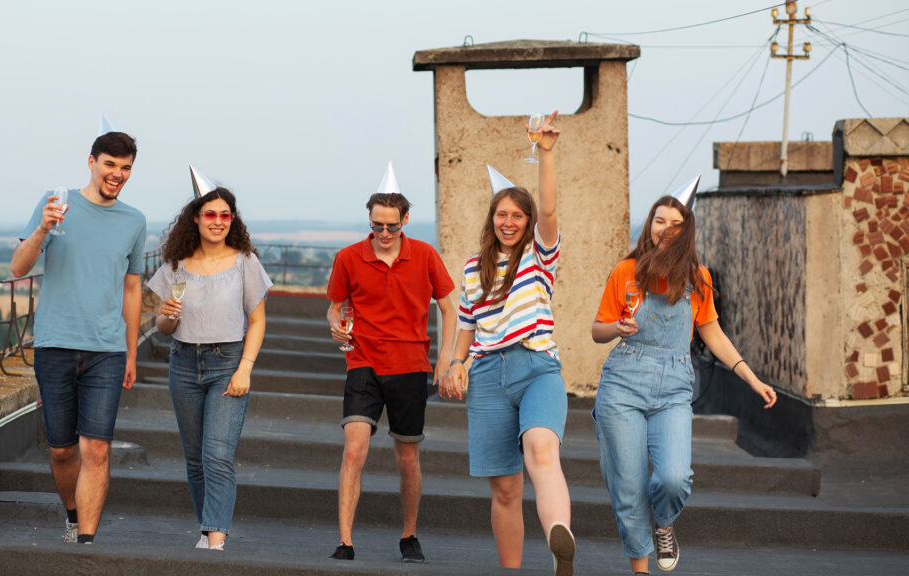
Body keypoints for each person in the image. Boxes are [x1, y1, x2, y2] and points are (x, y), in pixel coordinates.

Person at [590, 194, 777, 575]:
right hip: (623, 384)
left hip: (674, 387)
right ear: (650, 224)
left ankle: (663, 523)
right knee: (628, 487)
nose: (665, 229)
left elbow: (714, 334)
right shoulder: (625, 271)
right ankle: (639, 569)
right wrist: (617, 328)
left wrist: (752, 378)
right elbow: (597, 330)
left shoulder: (698, 278)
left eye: (675, 224)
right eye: (659, 220)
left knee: (674, 478)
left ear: (685, 232)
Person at [439, 111, 576, 576]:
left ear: (529, 222)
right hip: (486, 376)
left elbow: (551, 209)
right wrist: (455, 362)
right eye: (502, 214)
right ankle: (512, 570)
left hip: (536, 367)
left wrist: (546, 152)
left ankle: (561, 537)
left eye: (518, 215)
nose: (510, 221)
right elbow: (466, 324)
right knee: (504, 489)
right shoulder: (474, 267)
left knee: (541, 447)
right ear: (492, 218)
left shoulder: (540, 254)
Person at [11, 130, 146, 545]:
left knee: (97, 450)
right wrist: (43, 230)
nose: (117, 174)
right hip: (55, 344)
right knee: (62, 451)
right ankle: (72, 515)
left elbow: (132, 288)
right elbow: (19, 267)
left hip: (106, 349)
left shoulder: (135, 221)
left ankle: (86, 544)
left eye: (126, 168)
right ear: (91, 162)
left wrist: (130, 351)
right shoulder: (57, 202)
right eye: (110, 165)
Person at [326, 162, 457, 563]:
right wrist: (336, 327)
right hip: (362, 362)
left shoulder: (425, 255)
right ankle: (345, 542)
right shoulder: (348, 257)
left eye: (392, 227)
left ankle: (409, 534)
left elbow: (450, 310)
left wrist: (446, 360)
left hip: (411, 366)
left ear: (405, 221)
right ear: (369, 220)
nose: (384, 234)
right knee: (353, 450)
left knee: (407, 456)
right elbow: (334, 309)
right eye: (377, 226)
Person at [147, 175, 272, 551]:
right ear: (196, 219)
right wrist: (166, 314)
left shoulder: (245, 262)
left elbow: (258, 320)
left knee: (217, 454)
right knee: (195, 458)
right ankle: (207, 529)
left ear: (233, 220)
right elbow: (163, 326)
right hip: (183, 362)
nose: (218, 221)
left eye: (225, 215)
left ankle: (216, 540)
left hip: (228, 362)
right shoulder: (176, 265)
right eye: (210, 214)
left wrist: (245, 368)